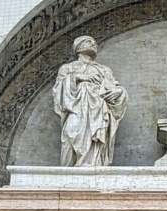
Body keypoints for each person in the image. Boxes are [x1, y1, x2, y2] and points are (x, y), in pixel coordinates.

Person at [52, 36, 128, 166]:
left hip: (98, 110)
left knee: (96, 138)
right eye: (89, 42)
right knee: (71, 132)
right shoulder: (67, 68)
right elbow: (58, 91)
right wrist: (76, 77)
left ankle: (94, 165)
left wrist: (120, 91)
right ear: (78, 47)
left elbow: (113, 87)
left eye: (95, 43)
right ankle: (70, 169)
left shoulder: (104, 70)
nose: (93, 44)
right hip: (76, 108)